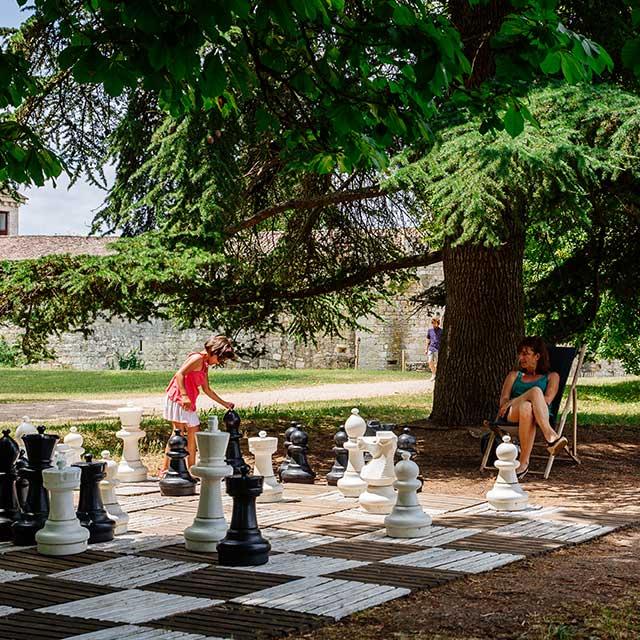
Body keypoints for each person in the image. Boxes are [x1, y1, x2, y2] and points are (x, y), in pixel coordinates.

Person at [162, 335, 236, 473]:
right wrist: (184, 396)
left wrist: (224, 403)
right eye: (220, 358)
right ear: (213, 351)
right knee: (178, 433)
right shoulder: (197, 359)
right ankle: (166, 469)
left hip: (188, 401)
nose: (219, 362)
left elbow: (207, 389)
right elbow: (179, 374)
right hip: (178, 397)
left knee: (193, 431)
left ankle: (190, 469)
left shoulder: (205, 365)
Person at [496, 336, 568, 480]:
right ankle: (551, 436)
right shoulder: (514, 375)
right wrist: (513, 401)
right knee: (534, 392)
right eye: (520, 354)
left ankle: (523, 464)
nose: (521, 357)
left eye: (525, 354)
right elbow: (504, 402)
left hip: (537, 413)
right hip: (511, 413)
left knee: (527, 406)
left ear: (537, 356)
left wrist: (520, 399)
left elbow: (547, 400)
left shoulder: (552, 377)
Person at [424, 316, 442, 381]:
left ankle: (436, 375)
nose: (433, 324)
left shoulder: (441, 331)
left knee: (437, 363)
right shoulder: (430, 330)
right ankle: (433, 374)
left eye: (435, 323)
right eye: (433, 323)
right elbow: (427, 340)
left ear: (438, 323)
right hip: (431, 348)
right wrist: (426, 349)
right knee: (429, 361)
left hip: (438, 349)